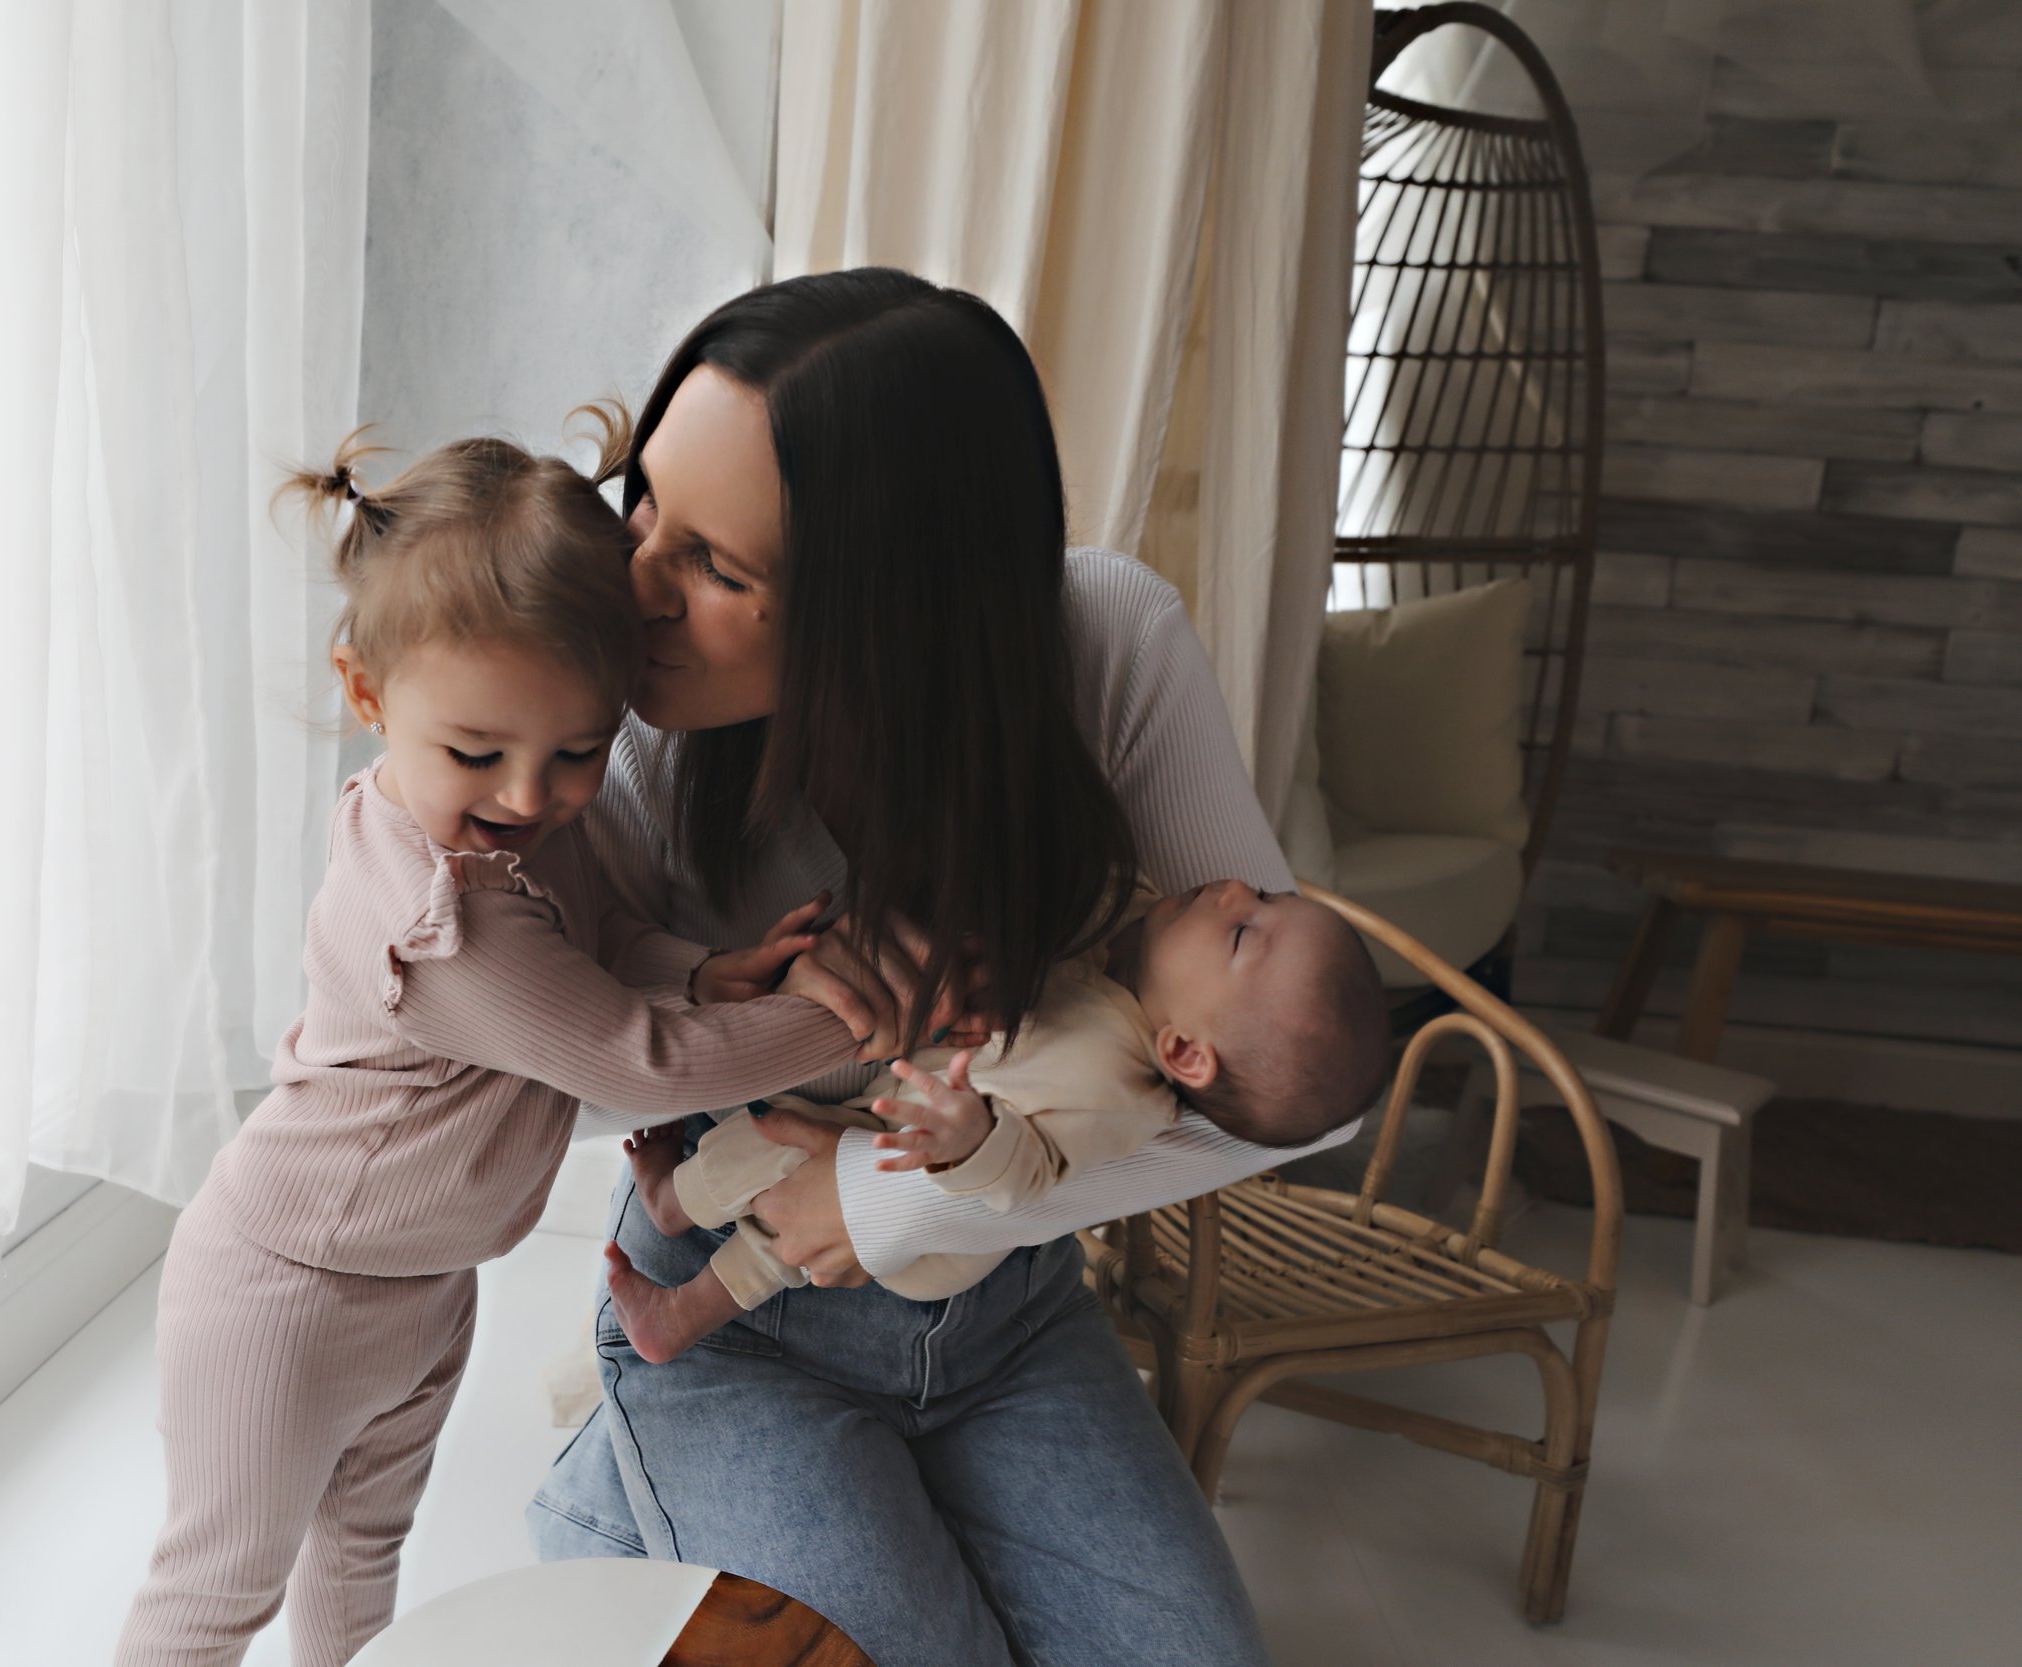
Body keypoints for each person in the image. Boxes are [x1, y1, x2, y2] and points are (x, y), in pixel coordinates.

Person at [528, 267, 1367, 1667]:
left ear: (895, 603)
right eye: (641, 503)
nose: (635, 588)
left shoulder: (1103, 645)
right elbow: (537, 1093)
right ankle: (615, 1495)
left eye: (719, 570)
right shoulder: (611, 724)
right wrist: (780, 1016)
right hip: (740, 1321)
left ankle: (760, 1507)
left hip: (1007, 1315)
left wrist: (884, 1198)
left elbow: (1291, 1090)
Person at [112, 430, 870, 1667]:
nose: (532, 792)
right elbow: (640, 1065)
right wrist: (843, 1015)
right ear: (367, 694)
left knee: (359, 1553)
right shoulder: (436, 917)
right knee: (214, 1588)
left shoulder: (521, 829)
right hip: (286, 1290)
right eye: (480, 753)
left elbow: (606, 932)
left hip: (422, 1280)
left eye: (579, 750)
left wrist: (702, 969)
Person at [604, 880, 1391, 1362]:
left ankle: (676, 1273)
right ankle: (677, 1221)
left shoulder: (1115, 1091)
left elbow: (1030, 1177)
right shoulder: (1143, 935)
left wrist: (972, 1142)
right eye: (1260, 890)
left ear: (1184, 1053)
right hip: (901, 1118)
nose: (1227, 892)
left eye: (1242, 931)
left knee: (770, 1166)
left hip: (940, 1225)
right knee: (779, 1150)